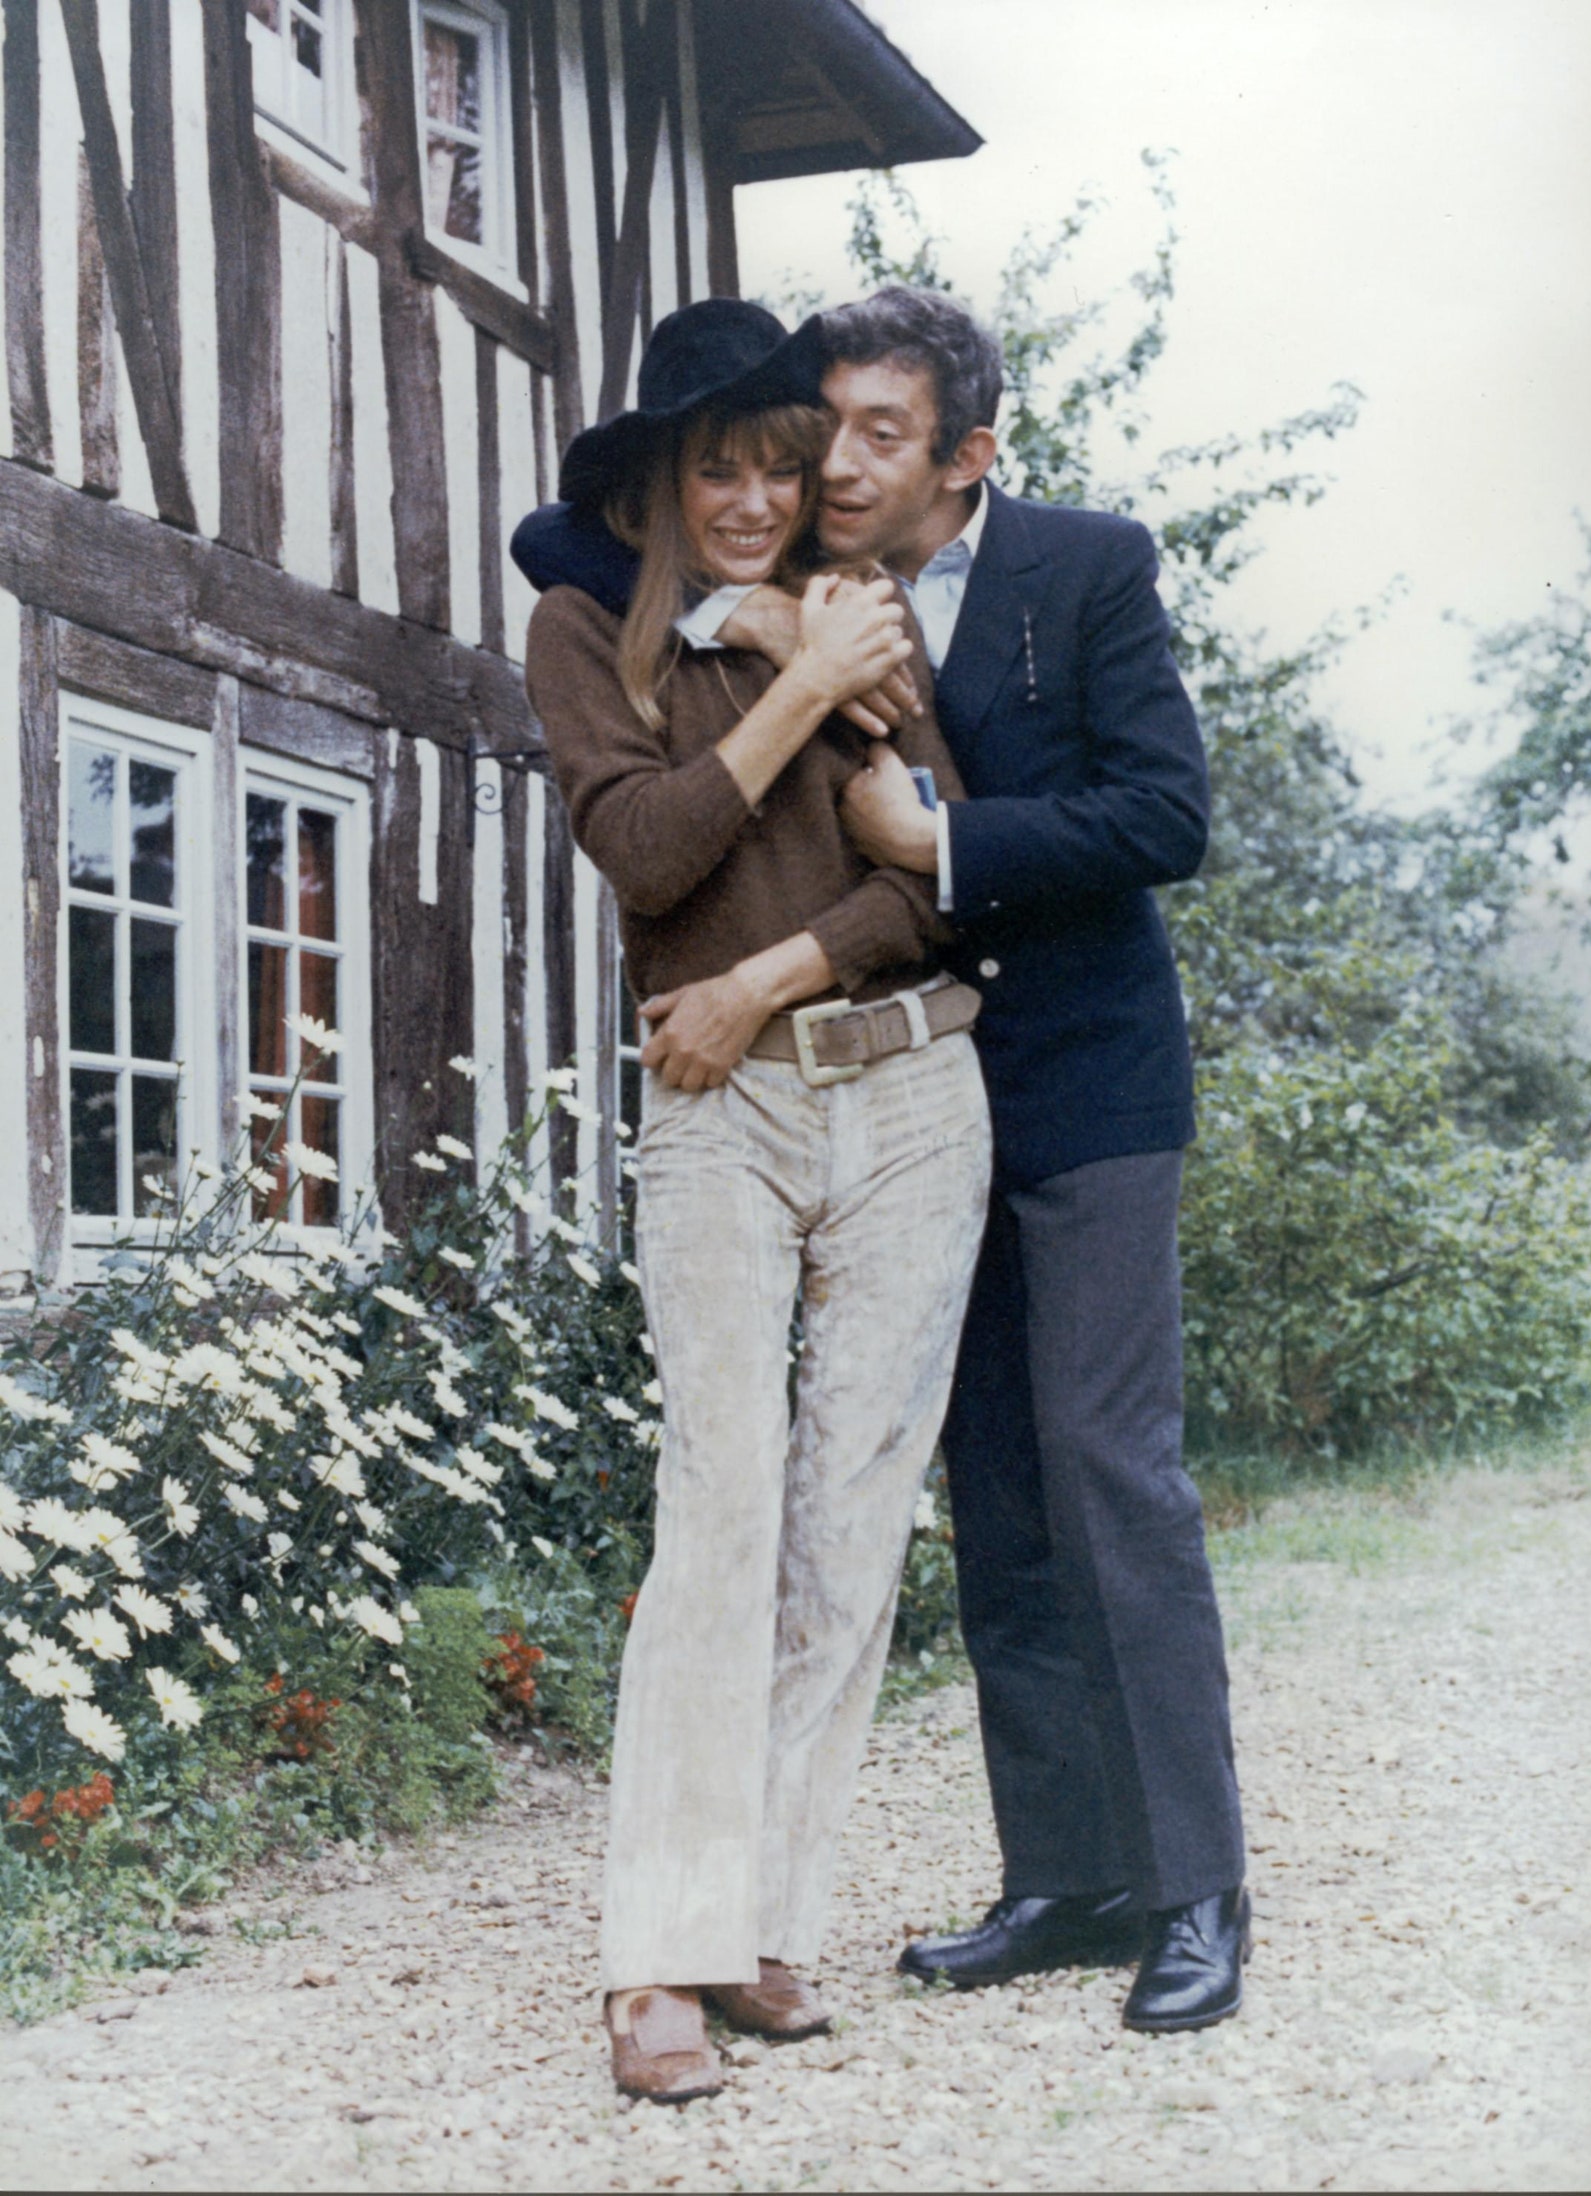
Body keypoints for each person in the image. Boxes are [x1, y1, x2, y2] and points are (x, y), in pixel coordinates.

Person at [512, 285, 1251, 2037]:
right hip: (792, 1106)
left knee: (1022, 1492)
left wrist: (892, 856)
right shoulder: (697, 616)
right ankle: (971, 1889)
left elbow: (1055, 840)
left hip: (1006, 1086)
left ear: (955, 455)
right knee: (874, 1500)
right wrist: (783, 668)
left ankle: (1166, 1892)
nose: (808, 477)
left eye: (839, 444)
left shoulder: (1010, 583)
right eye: (770, 446)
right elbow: (640, 814)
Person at [521, 298, 992, 2103]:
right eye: (718, 466)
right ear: (658, 482)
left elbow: (933, 889)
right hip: (720, 1124)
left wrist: (765, 973)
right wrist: (794, 677)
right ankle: (660, 1959)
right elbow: (643, 849)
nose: (752, 498)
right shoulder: (589, 637)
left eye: (782, 470)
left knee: (847, 1534)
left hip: (912, 1100)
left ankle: (768, 1930)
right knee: (716, 1518)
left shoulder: (869, 626)